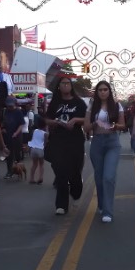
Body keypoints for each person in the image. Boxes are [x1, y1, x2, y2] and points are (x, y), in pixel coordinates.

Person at [45, 76, 88, 215]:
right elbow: (47, 119)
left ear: (71, 86)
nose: (65, 86)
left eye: (67, 83)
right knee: (60, 171)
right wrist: (56, 122)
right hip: (58, 140)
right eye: (62, 83)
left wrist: (75, 120)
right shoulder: (55, 103)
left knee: (74, 171)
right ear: (59, 86)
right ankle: (61, 205)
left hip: (75, 140)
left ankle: (76, 190)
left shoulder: (79, 102)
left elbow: (87, 120)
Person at [84, 80, 125, 223]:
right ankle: (101, 204)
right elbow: (86, 127)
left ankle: (108, 211)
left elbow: (123, 125)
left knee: (109, 177)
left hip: (112, 142)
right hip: (97, 143)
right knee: (99, 177)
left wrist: (115, 126)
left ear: (109, 91)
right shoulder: (92, 106)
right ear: (97, 92)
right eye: (100, 90)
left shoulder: (117, 106)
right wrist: (95, 123)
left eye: (105, 89)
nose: (103, 92)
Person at [2, 96, 25, 178]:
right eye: (8, 106)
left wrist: (16, 133)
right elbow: (3, 123)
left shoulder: (18, 112)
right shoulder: (5, 111)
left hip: (17, 136)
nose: (10, 107)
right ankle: (9, 171)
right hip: (8, 136)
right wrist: (3, 128)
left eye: (11, 106)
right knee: (9, 154)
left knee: (17, 154)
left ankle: (19, 169)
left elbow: (21, 124)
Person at [28, 117, 47, 184]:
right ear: (45, 125)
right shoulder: (45, 133)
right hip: (40, 149)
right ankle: (40, 177)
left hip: (33, 148)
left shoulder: (34, 131)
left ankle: (31, 178)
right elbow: (45, 143)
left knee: (34, 164)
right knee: (41, 164)